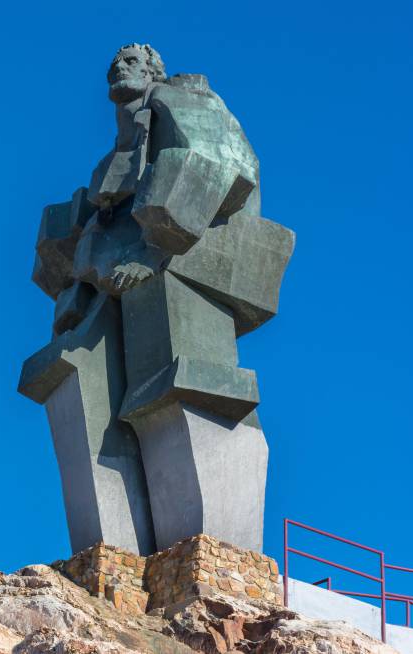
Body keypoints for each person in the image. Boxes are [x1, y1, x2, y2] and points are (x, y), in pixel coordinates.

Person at [19, 44, 294, 555]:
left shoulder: (184, 101)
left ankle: (210, 550)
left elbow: (224, 163)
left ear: (153, 72)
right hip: (109, 280)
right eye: (114, 62)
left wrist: (155, 248)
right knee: (76, 379)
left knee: (173, 381)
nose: (118, 67)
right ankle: (109, 553)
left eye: (131, 61)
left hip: (176, 262)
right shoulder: (112, 159)